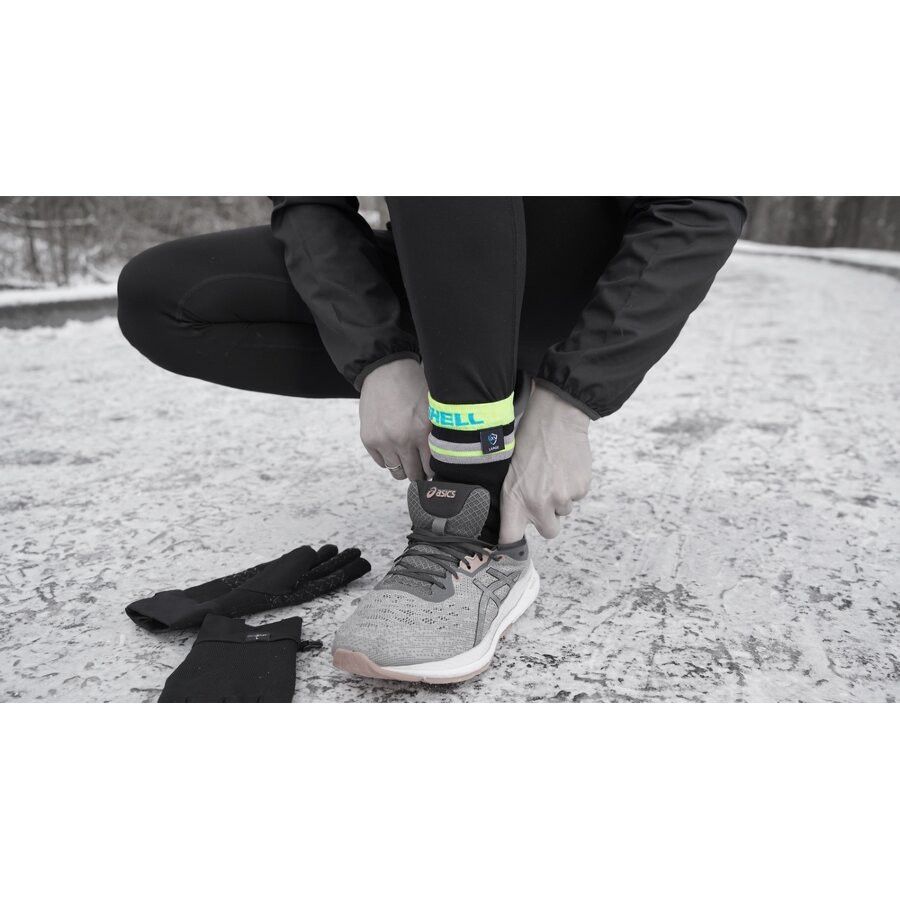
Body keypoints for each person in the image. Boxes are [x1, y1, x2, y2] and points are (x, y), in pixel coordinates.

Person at [117, 197, 745, 683]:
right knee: (164, 296)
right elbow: (310, 201)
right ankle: (480, 390)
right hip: (438, 264)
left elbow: (699, 206)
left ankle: (476, 525)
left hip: (573, 279)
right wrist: (379, 356)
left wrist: (568, 404)